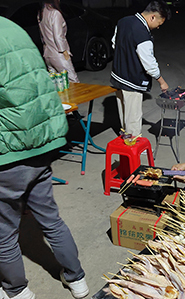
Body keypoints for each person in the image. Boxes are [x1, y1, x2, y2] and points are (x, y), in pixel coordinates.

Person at [0, 17, 88, 299]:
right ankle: (77, 281)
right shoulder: (11, 27)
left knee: (4, 232)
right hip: (40, 144)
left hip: (8, 152)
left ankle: (17, 290)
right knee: (51, 220)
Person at [110, 0, 171, 136]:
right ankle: (134, 147)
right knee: (133, 117)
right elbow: (149, 63)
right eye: (159, 24)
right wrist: (161, 81)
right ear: (153, 17)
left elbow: (114, 43)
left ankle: (125, 139)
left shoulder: (123, 21)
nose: (158, 27)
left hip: (118, 76)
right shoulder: (142, 33)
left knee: (124, 113)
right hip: (132, 80)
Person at [38, 0, 80, 82]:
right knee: (73, 81)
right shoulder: (55, 13)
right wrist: (64, 51)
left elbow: (42, 36)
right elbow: (58, 36)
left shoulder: (41, 13)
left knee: (56, 83)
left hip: (47, 54)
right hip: (58, 54)